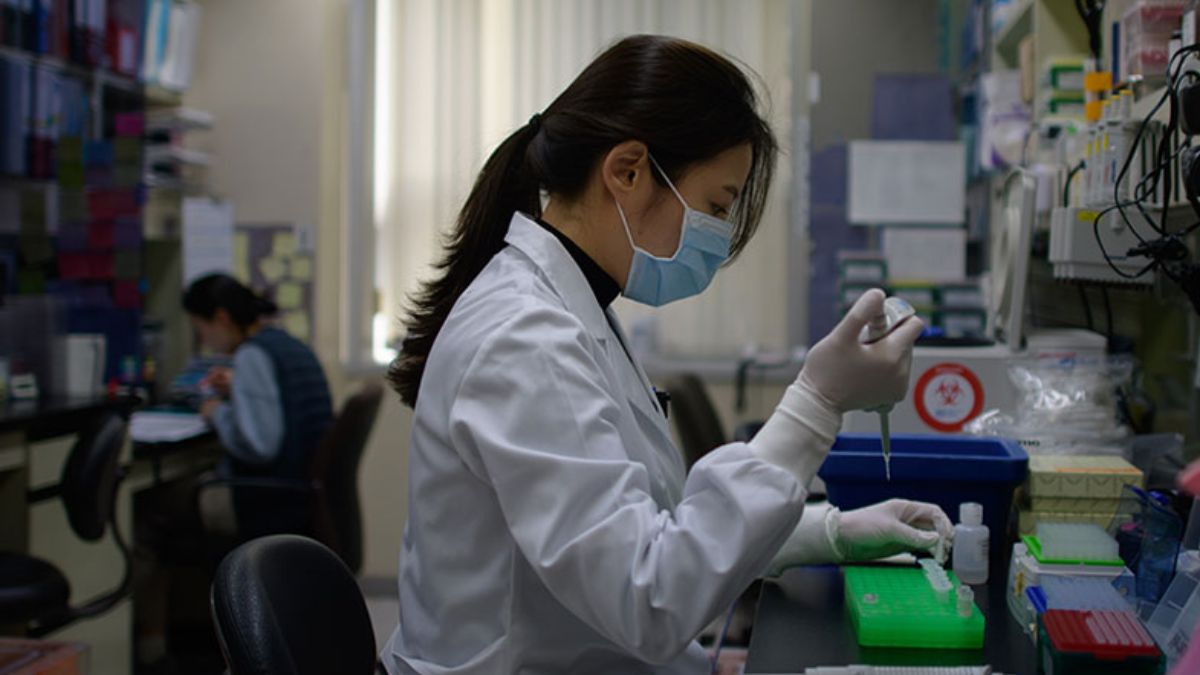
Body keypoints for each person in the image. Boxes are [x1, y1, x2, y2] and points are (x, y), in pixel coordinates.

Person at [381, 35, 951, 675]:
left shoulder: (573, 308)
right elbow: (648, 597)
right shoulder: (523, 337)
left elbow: (651, 531)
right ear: (627, 171)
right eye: (715, 206)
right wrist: (816, 404)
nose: (716, 236)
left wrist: (829, 533)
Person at [135, 274, 333, 673]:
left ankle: (152, 650)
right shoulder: (286, 345)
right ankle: (187, 633)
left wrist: (216, 411)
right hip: (298, 492)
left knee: (146, 514)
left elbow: (259, 445)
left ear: (222, 318)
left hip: (262, 497)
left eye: (201, 329)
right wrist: (240, 390)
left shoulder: (252, 355)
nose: (205, 341)